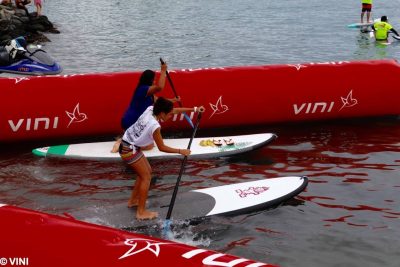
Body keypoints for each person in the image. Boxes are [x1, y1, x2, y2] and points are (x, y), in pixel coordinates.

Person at [119, 97, 205, 220]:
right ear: (162, 113)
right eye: (169, 114)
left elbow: (174, 110)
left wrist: (195, 109)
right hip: (128, 149)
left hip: (129, 144)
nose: (171, 116)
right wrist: (181, 151)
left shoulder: (151, 109)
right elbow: (162, 147)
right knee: (146, 177)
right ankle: (141, 212)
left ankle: (133, 201)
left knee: (146, 172)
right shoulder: (155, 126)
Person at [111, 61, 178, 152]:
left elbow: (160, 101)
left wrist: (173, 100)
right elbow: (160, 87)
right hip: (131, 122)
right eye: (154, 79)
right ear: (149, 80)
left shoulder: (148, 93)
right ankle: (122, 144)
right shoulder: (143, 89)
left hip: (131, 122)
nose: (155, 81)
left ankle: (125, 139)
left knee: (150, 144)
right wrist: (163, 71)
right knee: (150, 146)